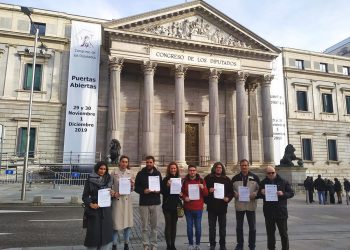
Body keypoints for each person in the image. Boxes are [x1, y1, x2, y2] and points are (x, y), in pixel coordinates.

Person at [258, 166, 294, 250]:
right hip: (269, 212)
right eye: (268, 173)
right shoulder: (263, 183)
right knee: (270, 234)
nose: (271, 174)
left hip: (281, 212)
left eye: (272, 172)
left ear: (275, 172)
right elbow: (258, 195)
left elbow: (291, 193)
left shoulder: (283, 181)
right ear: (266, 174)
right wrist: (261, 192)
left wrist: (283, 194)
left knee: (283, 234)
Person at [82, 161, 113, 250]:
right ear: (97, 169)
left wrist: (113, 193)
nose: (102, 171)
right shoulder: (90, 179)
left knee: (105, 235)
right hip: (94, 210)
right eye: (101, 169)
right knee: (93, 235)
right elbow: (84, 196)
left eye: (104, 169)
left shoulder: (109, 179)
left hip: (106, 211)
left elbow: (112, 194)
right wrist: (91, 204)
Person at [134, 156, 162, 250]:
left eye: (150, 162)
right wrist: (143, 191)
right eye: (147, 162)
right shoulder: (140, 174)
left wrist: (159, 190)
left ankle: (154, 244)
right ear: (146, 163)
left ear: (153, 163)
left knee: (154, 226)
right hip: (144, 203)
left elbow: (161, 187)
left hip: (155, 202)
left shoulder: (158, 173)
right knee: (144, 226)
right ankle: (145, 244)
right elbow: (136, 187)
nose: (149, 164)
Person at [231, 159, 260, 250]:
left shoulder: (255, 177)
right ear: (240, 166)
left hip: (251, 205)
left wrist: (255, 194)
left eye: (245, 165)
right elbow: (230, 190)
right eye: (242, 165)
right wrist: (234, 194)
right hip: (239, 206)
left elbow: (259, 190)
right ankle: (240, 244)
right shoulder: (235, 178)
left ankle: (252, 245)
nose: (244, 167)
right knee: (239, 227)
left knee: (252, 227)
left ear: (248, 166)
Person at [204, 162, 233, 250]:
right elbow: (204, 191)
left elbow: (231, 192)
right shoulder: (208, 178)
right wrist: (209, 191)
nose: (218, 169)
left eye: (220, 167)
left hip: (222, 207)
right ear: (214, 168)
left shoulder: (227, 179)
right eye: (217, 167)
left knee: (222, 228)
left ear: (222, 169)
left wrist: (228, 198)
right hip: (212, 207)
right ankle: (212, 244)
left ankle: (222, 244)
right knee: (212, 228)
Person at [181, 165, 208, 250]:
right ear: (188, 171)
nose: (192, 172)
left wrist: (203, 188)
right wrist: (185, 197)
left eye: (193, 170)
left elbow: (206, 194)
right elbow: (181, 193)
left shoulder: (201, 180)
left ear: (196, 171)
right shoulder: (184, 181)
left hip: (198, 208)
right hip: (188, 208)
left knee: (198, 227)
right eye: (190, 170)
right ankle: (190, 243)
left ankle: (198, 244)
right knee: (189, 227)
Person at [111, 155, 135, 250]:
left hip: (127, 201)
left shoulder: (131, 173)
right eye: (123, 161)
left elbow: (133, 188)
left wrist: (132, 186)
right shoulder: (114, 172)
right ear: (119, 162)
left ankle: (126, 244)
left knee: (127, 224)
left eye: (126, 162)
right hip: (117, 201)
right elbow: (109, 186)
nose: (124, 163)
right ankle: (114, 244)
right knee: (115, 224)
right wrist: (113, 193)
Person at [161, 162, 182, 250]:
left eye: (174, 168)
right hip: (167, 205)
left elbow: (181, 193)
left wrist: (181, 193)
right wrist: (167, 186)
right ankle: (168, 245)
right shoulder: (165, 179)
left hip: (176, 205)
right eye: (171, 168)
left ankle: (173, 244)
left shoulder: (179, 179)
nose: (173, 170)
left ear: (176, 169)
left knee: (174, 225)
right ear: (169, 170)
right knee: (168, 224)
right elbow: (163, 192)